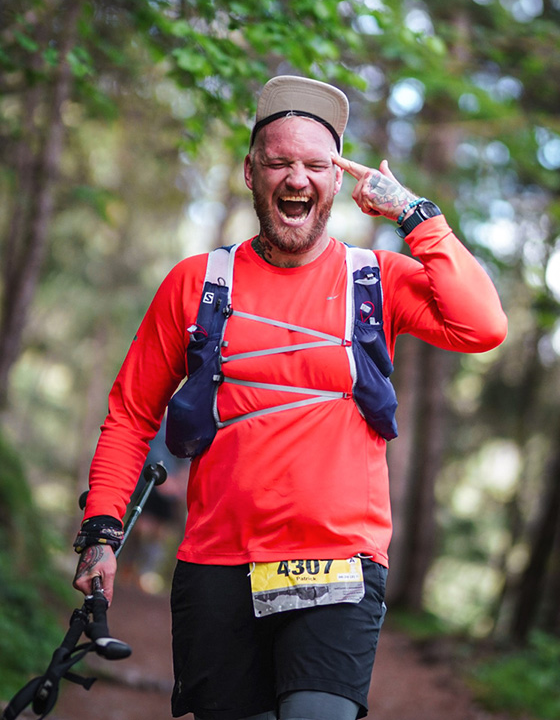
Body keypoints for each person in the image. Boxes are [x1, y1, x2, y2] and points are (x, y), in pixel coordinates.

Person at [73, 75, 507, 720]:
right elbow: (132, 415)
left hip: (337, 566)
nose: (296, 178)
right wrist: (102, 530)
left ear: (336, 182)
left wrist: (415, 213)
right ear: (251, 173)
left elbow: (482, 326)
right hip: (217, 565)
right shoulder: (197, 283)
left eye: (314, 165)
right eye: (278, 162)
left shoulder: (375, 280)